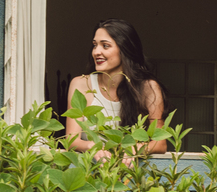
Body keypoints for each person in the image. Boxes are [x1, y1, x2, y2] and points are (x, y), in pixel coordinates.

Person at [64, 19, 166, 161]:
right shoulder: (81, 84)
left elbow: (160, 143)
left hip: (131, 176)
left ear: (125, 49)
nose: (96, 52)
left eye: (105, 46)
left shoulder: (148, 88)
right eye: (95, 45)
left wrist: (134, 149)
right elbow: (70, 140)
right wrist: (92, 147)